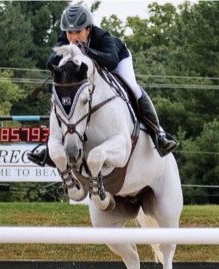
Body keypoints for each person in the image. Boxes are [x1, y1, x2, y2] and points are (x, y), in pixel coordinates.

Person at [28, 3, 178, 166]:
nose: (74, 37)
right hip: (91, 73)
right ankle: (49, 148)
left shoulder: (103, 37)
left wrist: (86, 51)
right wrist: (64, 54)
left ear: (89, 29)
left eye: (78, 32)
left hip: (117, 61)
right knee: (64, 93)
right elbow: (50, 60)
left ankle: (159, 135)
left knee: (133, 88)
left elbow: (111, 60)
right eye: (70, 32)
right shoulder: (65, 39)